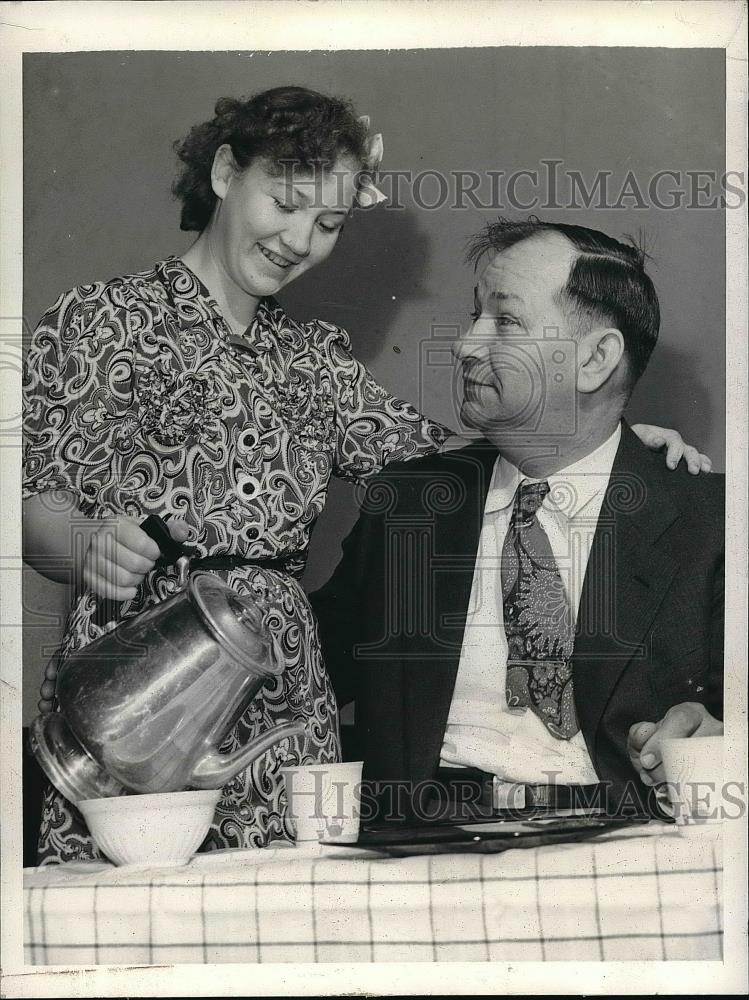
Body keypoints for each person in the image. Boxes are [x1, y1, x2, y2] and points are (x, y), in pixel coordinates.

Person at [23, 85, 707, 864]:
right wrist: (87, 546)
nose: (299, 240)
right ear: (223, 173)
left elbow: (450, 458)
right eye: (284, 203)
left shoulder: (314, 358)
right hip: (143, 665)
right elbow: (38, 505)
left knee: (277, 917)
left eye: (328, 223)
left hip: (281, 687)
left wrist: (605, 436)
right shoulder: (99, 318)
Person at [311, 218, 724, 824]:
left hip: (628, 858)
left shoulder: (712, 522)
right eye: (475, 316)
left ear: (595, 359)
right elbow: (302, 677)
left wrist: (723, 737)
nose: (464, 346)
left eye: (505, 322)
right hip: (419, 856)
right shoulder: (406, 509)